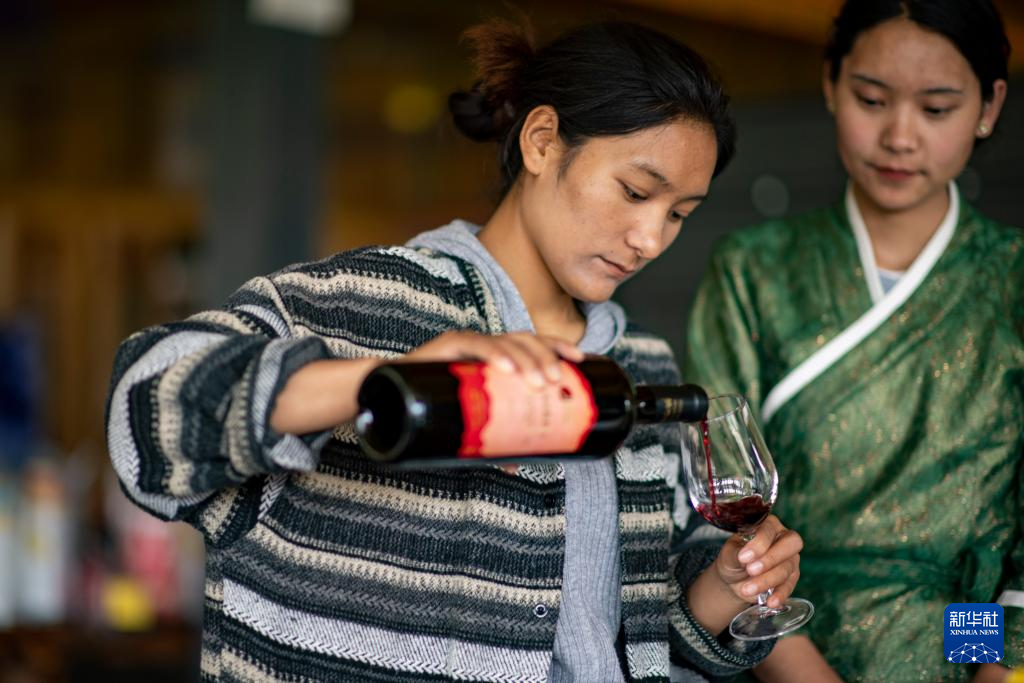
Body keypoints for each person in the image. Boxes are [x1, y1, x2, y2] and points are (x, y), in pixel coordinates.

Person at [106, 20, 805, 683]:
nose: (650, 238)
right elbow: (144, 418)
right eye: (635, 191)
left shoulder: (639, 362)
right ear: (541, 142)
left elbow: (633, 638)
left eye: (678, 214)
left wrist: (719, 590)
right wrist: (386, 380)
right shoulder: (358, 305)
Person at [684, 1, 1021, 681]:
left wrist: (989, 669)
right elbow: (720, 499)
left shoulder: (1012, 278)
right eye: (872, 99)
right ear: (831, 84)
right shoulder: (753, 270)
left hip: (964, 624)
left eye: (936, 108)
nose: (900, 137)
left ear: (989, 107)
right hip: (781, 633)